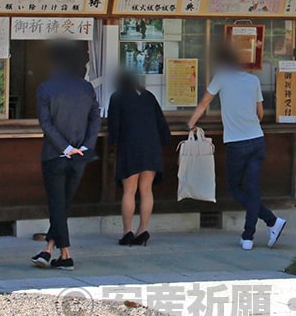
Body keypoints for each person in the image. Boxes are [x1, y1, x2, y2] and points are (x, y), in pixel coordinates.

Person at [187, 44, 286, 251]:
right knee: (252, 189)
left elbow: (205, 103)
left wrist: (191, 123)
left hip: (236, 142)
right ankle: (251, 235)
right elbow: (261, 114)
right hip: (257, 140)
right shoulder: (253, 80)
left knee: (235, 188)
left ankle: (267, 223)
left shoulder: (221, 77)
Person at [30, 41, 100, 271]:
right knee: (63, 203)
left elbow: (46, 124)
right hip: (81, 155)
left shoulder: (46, 88)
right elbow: (94, 119)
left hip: (54, 154)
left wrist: (65, 148)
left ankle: (66, 254)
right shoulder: (86, 88)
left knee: (57, 204)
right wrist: (85, 147)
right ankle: (50, 251)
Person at [108, 70, 171, 246]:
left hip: (130, 147)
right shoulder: (148, 96)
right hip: (151, 147)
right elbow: (161, 123)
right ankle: (142, 230)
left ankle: (127, 231)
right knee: (146, 190)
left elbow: (114, 127)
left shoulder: (118, 97)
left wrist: (112, 144)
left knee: (129, 191)